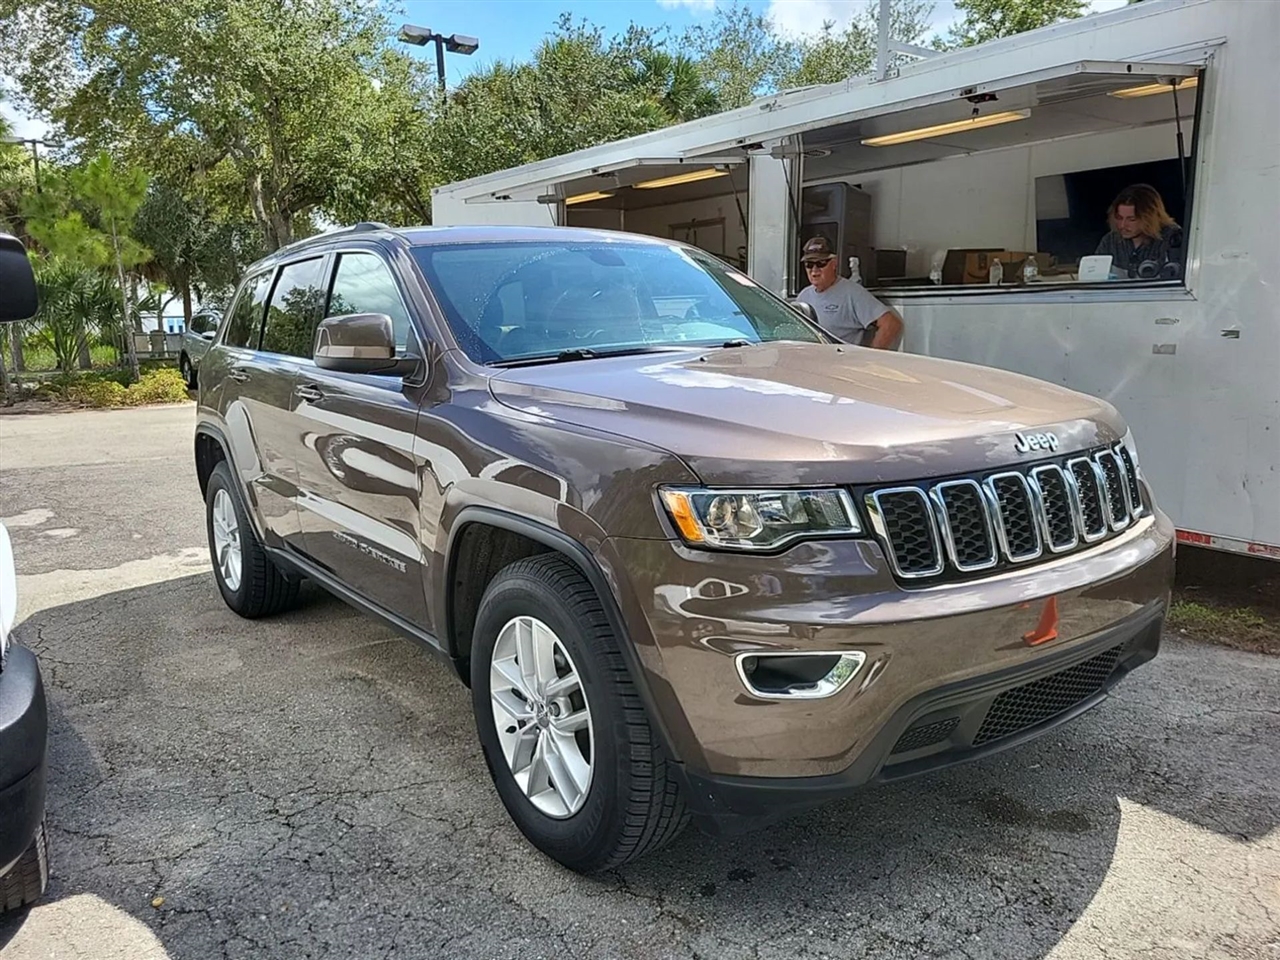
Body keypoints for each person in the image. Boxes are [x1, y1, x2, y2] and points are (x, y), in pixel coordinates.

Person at [795, 237, 903, 349]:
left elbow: (890, 324)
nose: (814, 270)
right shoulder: (803, 297)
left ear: (834, 264)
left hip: (840, 363)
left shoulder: (852, 293)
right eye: (809, 264)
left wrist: (871, 359)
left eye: (821, 263)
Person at [1095, 184, 1184, 279]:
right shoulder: (1110, 241)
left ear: (1149, 218)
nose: (1122, 225)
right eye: (1119, 218)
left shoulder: (1172, 237)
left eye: (1131, 219)